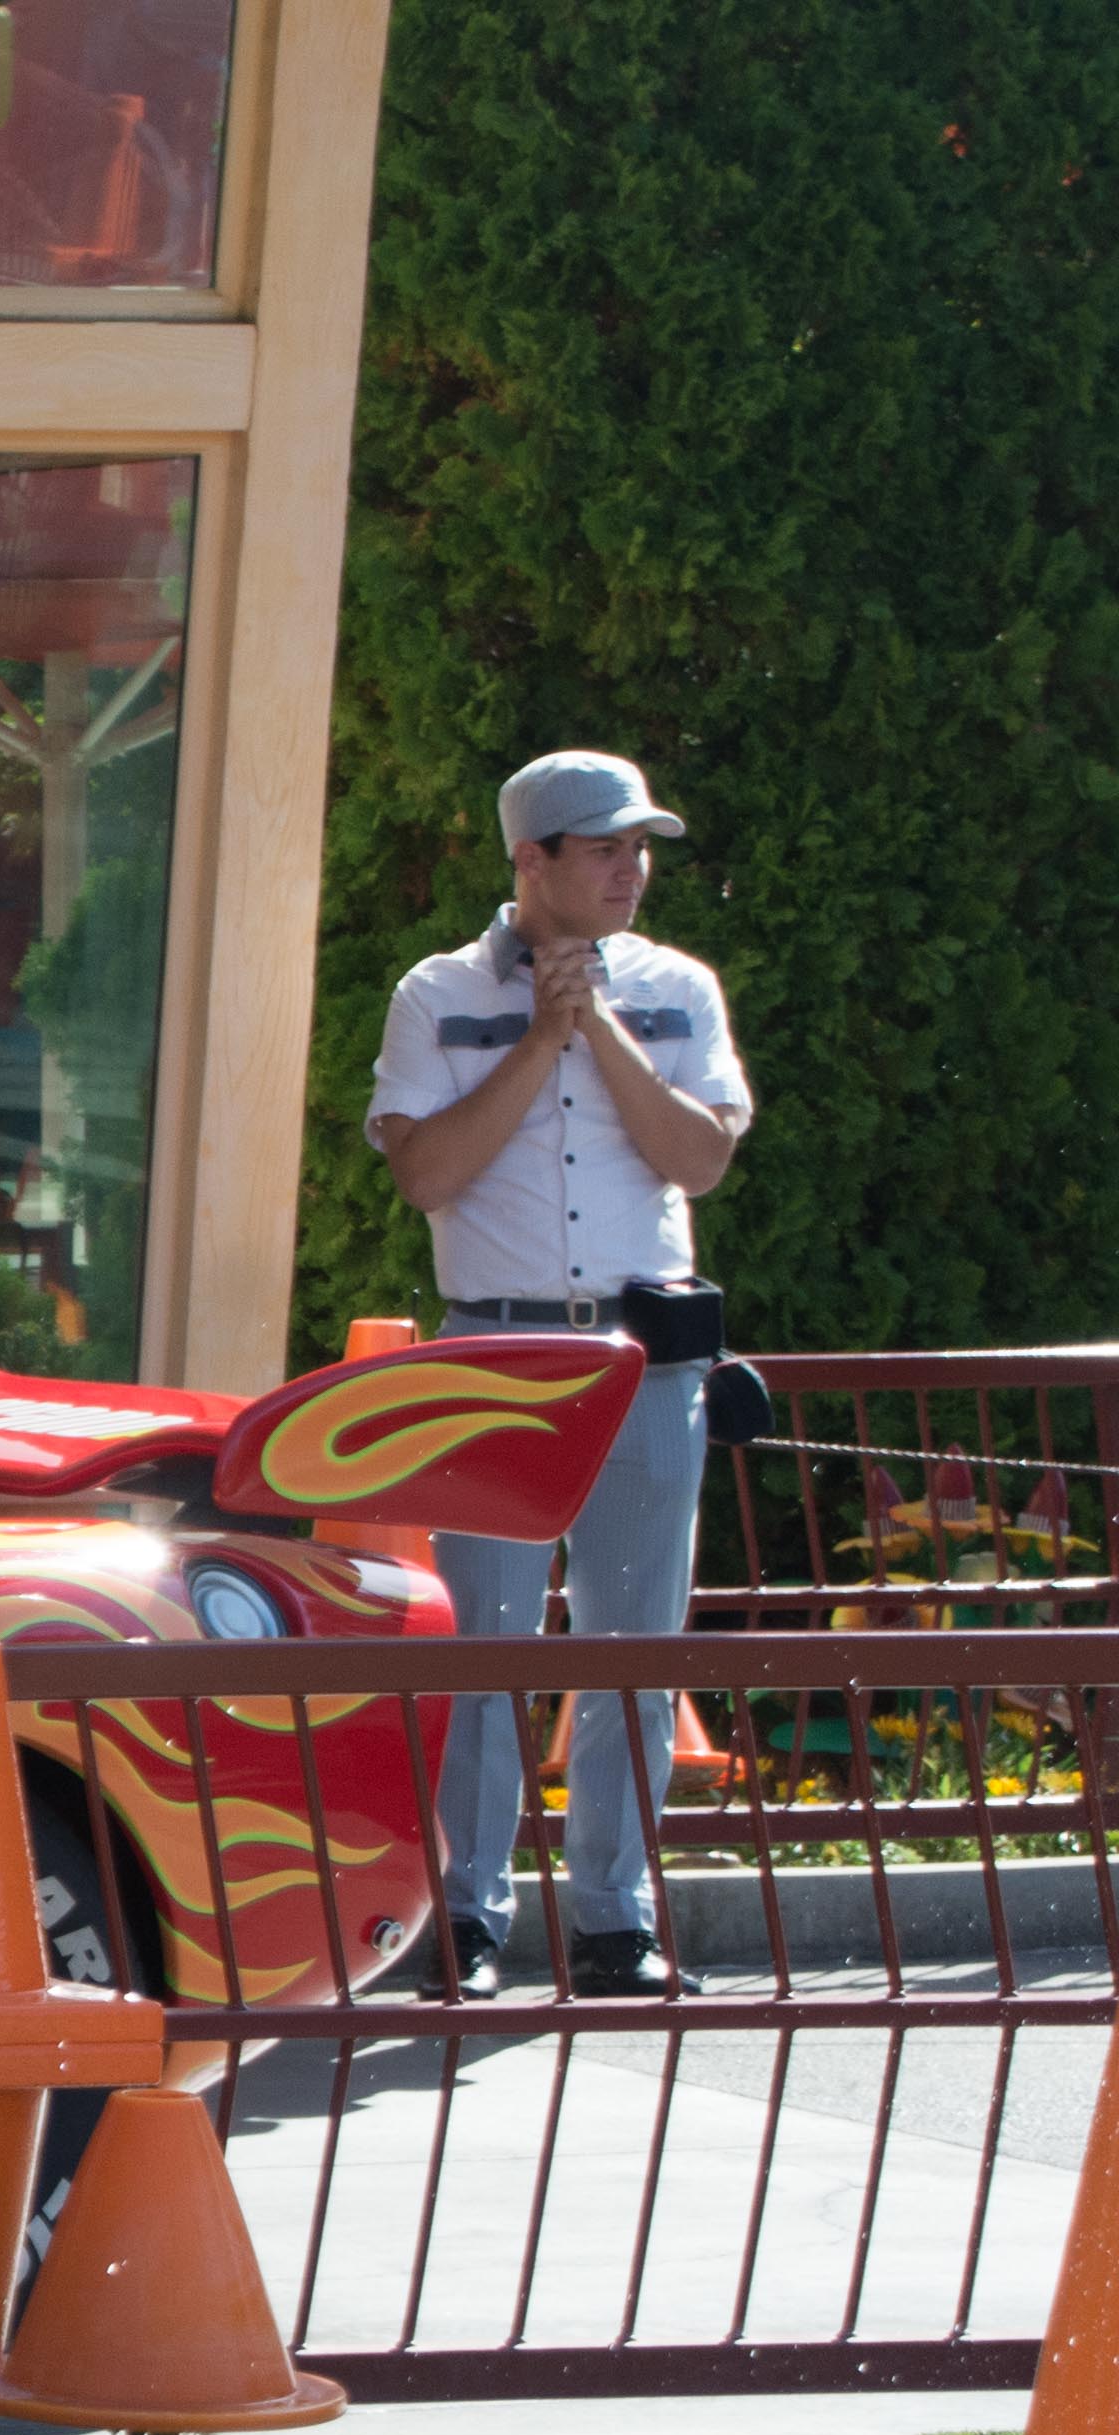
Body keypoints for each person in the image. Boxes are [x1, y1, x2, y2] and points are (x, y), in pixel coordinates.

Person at [367, 750, 755, 2001]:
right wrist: (543, 1035)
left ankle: (613, 1924)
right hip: (495, 1353)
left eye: (640, 848)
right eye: (603, 849)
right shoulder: (436, 992)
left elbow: (699, 1160)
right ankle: (464, 1919)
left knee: (630, 1647)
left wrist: (603, 1031)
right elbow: (427, 1173)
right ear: (529, 860)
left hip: (644, 1361)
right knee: (483, 1645)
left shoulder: (679, 989)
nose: (631, 870)